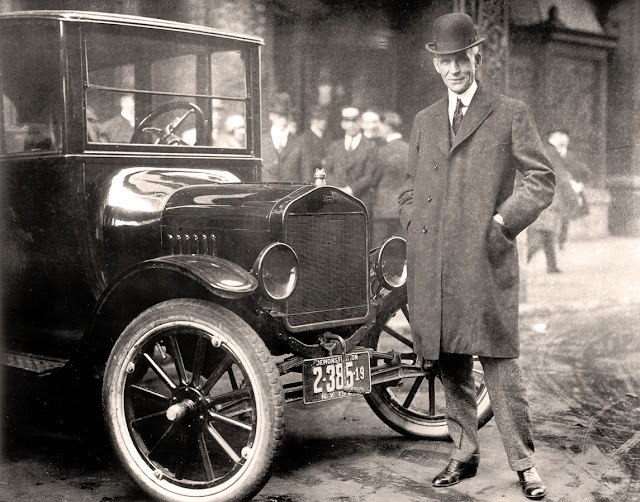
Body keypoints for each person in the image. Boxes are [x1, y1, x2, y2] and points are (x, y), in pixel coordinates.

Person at [397, 13, 555, 500]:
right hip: (434, 263)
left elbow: (540, 180)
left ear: (476, 57)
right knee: (449, 362)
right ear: (437, 65)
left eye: (460, 59)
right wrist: (412, 224)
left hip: (485, 259)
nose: (453, 69)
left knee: (499, 361)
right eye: (444, 61)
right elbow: (409, 189)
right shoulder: (425, 121)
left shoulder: (509, 112)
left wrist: (503, 224)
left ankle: (524, 463)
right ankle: (463, 453)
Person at [527, 131, 580, 272]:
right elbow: (561, 178)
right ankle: (520, 263)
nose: (564, 148)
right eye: (563, 145)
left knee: (547, 233)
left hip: (540, 196)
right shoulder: (552, 154)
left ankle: (552, 265)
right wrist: (573, 197)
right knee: (540, 234)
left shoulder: (545, 150)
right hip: (549, 198)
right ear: (556, 141)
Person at [323, 106, 378, 212]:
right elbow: (327, 171)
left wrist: (350, 190)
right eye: (347, 121)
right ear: (342, 124)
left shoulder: (370, 146)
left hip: (359, 202)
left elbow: (369, 176)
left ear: (360, 123)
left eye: (355, 121)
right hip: (336, 201)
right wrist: (337, 190)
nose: (351, 125)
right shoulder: (334, 146)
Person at [546, 128, 589, 249]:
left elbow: (580, 169)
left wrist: (577, 182)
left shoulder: (568, 155)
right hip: (557, 186)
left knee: (565, 215)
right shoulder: (552, 152)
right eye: (562, 137)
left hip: (567, 186)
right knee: (557, 213)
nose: (565, 140)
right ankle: (554, 239)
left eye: (566, 138)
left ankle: (561, 240)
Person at [371, 111, 408, 245]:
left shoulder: (381, 151)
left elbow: (372, 179)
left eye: (379, 125)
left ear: (387, 126)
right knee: (398, 250)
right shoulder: (409, 149)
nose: (377, 128)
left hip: (382, 210)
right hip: (402, 209)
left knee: (378, 251)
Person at [262, 92, 303, 182]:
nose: (284, 121)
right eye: (280, 116)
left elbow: (305, 173)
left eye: (287, 117)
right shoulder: (261, 141)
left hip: (293, 194)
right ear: (271, 116)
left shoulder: (299, 142)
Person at [299, 105, 330, 181]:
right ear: (313, 121)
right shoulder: (304, 138)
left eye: (325, 119)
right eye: (320, 119)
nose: (324, 122)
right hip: (311, 177)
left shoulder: (327, 136)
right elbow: (305, 160)